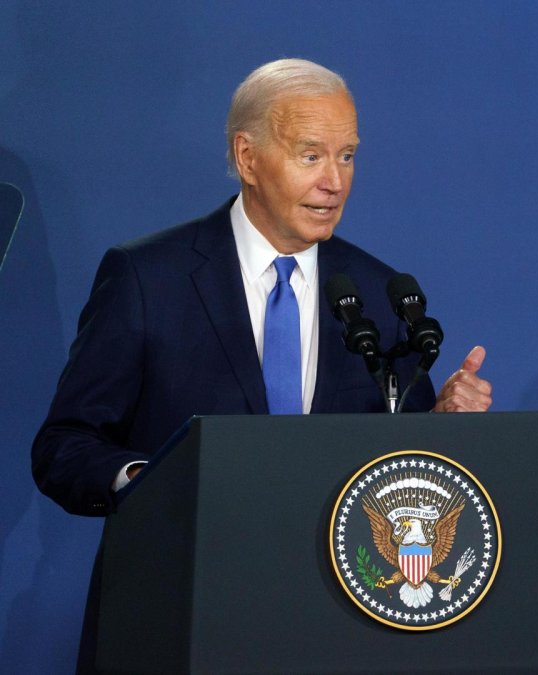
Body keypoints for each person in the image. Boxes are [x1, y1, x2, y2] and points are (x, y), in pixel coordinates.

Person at [30, 58, 493, 671]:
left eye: (348, 156)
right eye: (311, 156)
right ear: (247, 158)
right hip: (179, 614)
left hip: (335, 628)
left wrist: (439, 423)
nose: (335, 181)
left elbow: (396, 467)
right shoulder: (149, 279)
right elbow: (65, 445)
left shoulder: (379, 293)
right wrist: (146, 482)